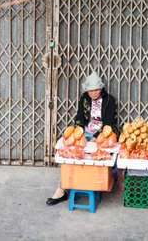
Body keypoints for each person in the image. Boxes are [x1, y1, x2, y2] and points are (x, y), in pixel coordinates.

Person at [46, 71, 118, 206]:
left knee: (97, 156)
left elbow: (109, 123)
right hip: (86, 132)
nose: (94, 93)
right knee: (71, 154)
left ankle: (93, 183)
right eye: (91, 91)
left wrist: (96, 137)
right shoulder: (84, 99)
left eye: (96, 90)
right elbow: (79, 117)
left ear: (101, 89)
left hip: (103, 135)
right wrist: (78, 131)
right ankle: (63, 190)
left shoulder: (109, 100)